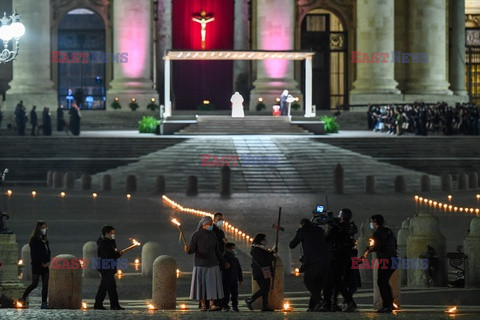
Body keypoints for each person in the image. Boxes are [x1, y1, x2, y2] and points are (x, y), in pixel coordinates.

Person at [289, 218, 332, 312]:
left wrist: (298, 233)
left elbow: (292, 245)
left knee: (307, 280)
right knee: (318, 282)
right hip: (326, 259)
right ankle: (312, 306)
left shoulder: (302, 230)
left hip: (313, 260)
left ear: (302, 225)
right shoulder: (319, 230)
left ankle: (320, 302)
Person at [185, 216, 224, 311]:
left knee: (212, 284)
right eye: (209, 224)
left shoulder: (213, 235)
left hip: (212, 263)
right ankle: (203, 305)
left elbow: (217, 250)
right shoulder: (196, 235)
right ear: (204, 224)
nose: (211, 226)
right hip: (200, 263)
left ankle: (212, 304)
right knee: (201, 285)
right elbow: (192, 249)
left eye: (211, 224)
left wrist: (222, 261)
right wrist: (188, 250)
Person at [363, 214, 398, 313]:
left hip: (385, 260)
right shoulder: (389, 231)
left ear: (375, 222)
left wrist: (369, 250)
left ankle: (386, 306)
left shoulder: (377, 233)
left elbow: (377, 247)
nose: (371, 224)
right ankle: (390, 304)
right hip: (394, 259)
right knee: (385, 281)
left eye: (372, 222)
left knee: (381, 282)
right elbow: (395, 245)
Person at [326, 209, 358, 312]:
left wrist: (329, 228)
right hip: (346, 255)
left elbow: (327, 238)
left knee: (337, 280)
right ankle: (334, 302)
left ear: (342, 216)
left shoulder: (337, 228)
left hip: (337, 255)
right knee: (338, 279)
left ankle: (349, 302)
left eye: (340, 214)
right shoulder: (350, 226)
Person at [19, 221, 51, 309]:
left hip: (45, 265)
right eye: (42, 227)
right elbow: (34, 254)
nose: (44, 229)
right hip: (37, 264)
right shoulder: (34, 239)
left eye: (45, 227)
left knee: (45, 285)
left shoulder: (45, 240)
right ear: (38, 229)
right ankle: (23, 297)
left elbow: (48, 252)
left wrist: (47, 262)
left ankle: (44, 303)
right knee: (34, 283)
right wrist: (41, 263)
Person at [94, 225, 125, 310]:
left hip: (108, 267)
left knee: (103, 287)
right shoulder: (103, 243)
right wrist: (118, 254)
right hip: (106, 268)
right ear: (107, 234)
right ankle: (114, 305)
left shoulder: (109, 241)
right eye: (112, 233)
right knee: (111, 287)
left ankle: (98, 305)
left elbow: (113, 251)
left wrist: (116, 250)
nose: (113, 235)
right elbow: (108, 255)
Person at [245, 233, 275, 312]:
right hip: (261, 272)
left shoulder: (260, 248)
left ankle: (264, 306)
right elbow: (263, 260)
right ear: (260, 240)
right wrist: (272, 256)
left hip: (264, 271)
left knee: (266, 289)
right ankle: (250, 299)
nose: (265, 241)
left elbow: (264, 257)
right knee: (264, 288)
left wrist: (271, 253)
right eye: (264, 239)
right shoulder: (257, 249)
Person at [222, 242, 243, 312]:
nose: (235, 250)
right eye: (234, 248)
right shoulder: (224, 257)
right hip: (227, 278)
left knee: (234, 293)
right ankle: (227, 306)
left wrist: (240, 278)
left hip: (233, 278)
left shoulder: (234, 258)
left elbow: (239, 269)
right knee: (227, 293)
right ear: (228, 249)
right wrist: (240, 279)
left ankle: (232, 306)